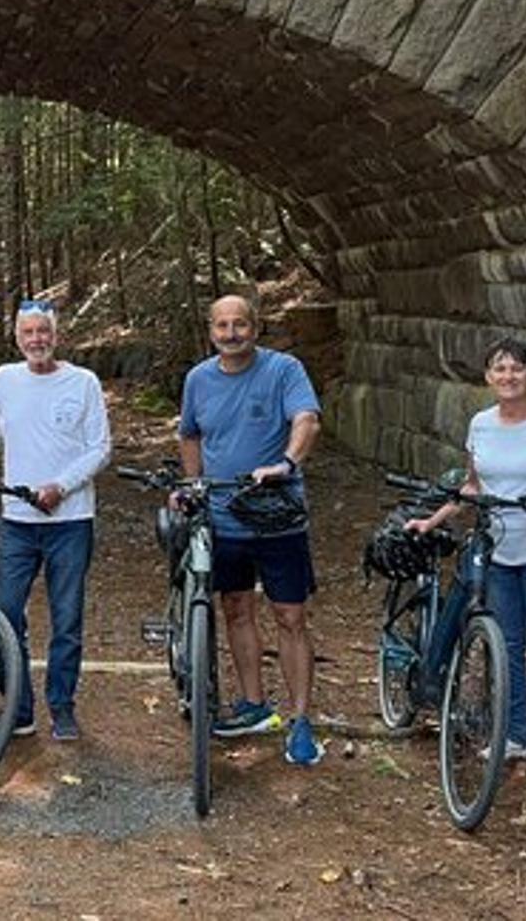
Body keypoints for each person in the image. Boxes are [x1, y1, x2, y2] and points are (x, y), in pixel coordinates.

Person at [409, 337, 526, 773]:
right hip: (499, 551)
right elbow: (474, 486)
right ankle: (514, 735)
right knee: (506, 645)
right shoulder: (481, 424)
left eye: (516, 368)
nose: (508, 376)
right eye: (499, 369)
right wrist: (434, 520)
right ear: (488, 376)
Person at [0, 298, 110, 743]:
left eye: (43, 331)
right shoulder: (5, 379)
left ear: (55, 335)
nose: (36, 339)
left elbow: (100, 448)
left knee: (66, 618)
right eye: (28, 333)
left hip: (71, 520)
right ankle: (18, 712)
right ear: (17, 338)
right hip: (19, 520)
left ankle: (62, 706)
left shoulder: (83, 382)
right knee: (6, 615)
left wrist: (61, 485)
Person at [176, 293, 325, 766]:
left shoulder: (284, 370)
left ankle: (300, 719)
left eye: (240, 324)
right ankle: (253, 703)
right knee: (236, 607)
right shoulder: (198, 379)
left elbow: (307, 419)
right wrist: (192, 483)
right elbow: (190, 434)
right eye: (222, 325)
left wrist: (286, 462)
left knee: (290, 616)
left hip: (277, 513)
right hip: (223, 514)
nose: (232, 333)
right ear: (210, 331)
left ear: (255, 328)